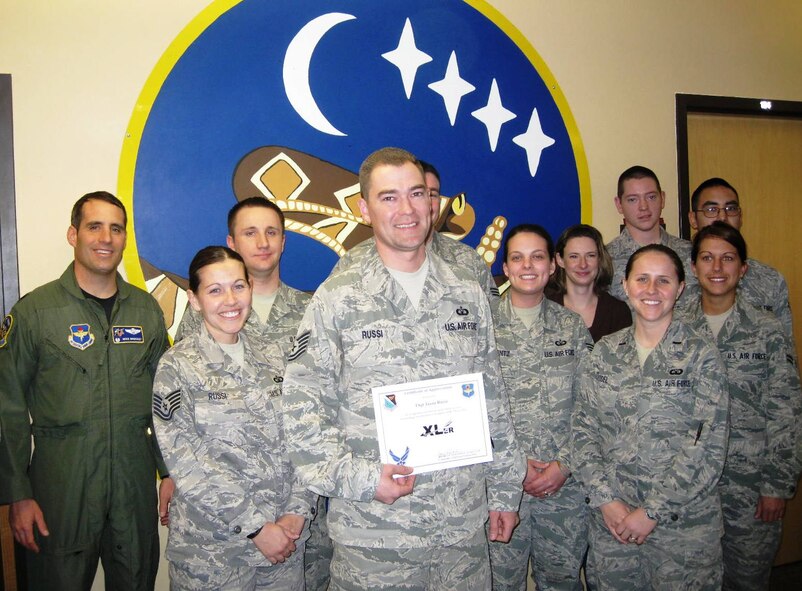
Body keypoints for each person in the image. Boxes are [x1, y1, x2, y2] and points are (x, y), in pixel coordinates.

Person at [282, 147, 524, 590]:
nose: (408, 209)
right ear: (364, 209)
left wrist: (506, 490)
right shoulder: (337, 299)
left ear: (432, 202)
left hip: (460, 528)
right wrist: (362, 479)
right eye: (389, 197)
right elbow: (302, 410)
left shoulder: (466, 293)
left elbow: (492, 397)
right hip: (376, 533)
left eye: (416, 193)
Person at [0, 191, 171, 590]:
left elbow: (166, 400)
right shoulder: (35, 312)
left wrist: (169, 471)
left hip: (132, 483)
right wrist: (17, 493)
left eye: (116, 229)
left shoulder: (146, 311)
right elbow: (7, 407)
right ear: (73, 235)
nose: (106, 238)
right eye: (95, 226)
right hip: (60, 487)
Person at [152, 246, 314, 590]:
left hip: (283, 547)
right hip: (213, 556)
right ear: (194, 299)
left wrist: (298, 510)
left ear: (250, 289)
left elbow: (304, 435)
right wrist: (256, 528)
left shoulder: (277, 358)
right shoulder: (176, 368)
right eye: (215, 290)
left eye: (238, 286)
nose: (230, 300)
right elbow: (187, 463)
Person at [572, 244, 730, 590]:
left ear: (680, 288)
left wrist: (651, 511)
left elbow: (707, 448)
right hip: (612, 527)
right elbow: (582, 430)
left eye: (664, 280)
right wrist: (606, 500)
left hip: (682, 530)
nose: (652, 290)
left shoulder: (701, 356)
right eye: (642, 279)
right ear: (625, 286)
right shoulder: (605, 352)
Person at [684, 222, 802, 590]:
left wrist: (777, 484)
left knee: (747, 581)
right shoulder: (675, 327)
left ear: (743, 268)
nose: (717, 268)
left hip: (749, 486)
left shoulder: (767, 330)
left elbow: (786, 410)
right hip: (689, 485)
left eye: (728, 258)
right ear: (693, 267)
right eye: (707, 258)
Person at [489, 224, 593, 591]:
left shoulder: (572, 328)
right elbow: (471, 410)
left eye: (537, 257)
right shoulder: (483, 328)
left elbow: (591, 406)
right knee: (500, 584)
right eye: (517, 258)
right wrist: (513, 465)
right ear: (506, 267)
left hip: (563, 487)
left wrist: (564, 465)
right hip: (501, 488)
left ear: (552, 266)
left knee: (561, 583)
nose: (527, 266)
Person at [333, 159, 499, 301]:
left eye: (429, 194)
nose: (410, 207)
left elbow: (495, 321)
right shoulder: (353, 261)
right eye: (391, 198)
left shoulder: (468, 259)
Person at [176, 196, 310, 357]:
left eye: (271, 232)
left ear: (282, 242)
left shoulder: (311, 309)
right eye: (250, 233)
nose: (263, 243)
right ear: (231, 243)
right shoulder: (203, 310)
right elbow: (183, 362)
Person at [688, 177, 795, 344]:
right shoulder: (673, 277)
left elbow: (784, 345)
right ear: (693, 219)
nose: (722, 217)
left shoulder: (770, 280)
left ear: (740, 216)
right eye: (711, 209)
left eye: (730, 208)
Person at [606, 165, 696, 302]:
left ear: (662, 198)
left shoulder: (691, 253)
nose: (643, 207)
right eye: (632, 199)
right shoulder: (605, 261)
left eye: (651, 197)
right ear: (619, 204)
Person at [549, 223, 632, 342]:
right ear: (560, 260)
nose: (583, 264)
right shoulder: (545, 309)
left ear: (599, 258)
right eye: (574, 256)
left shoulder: (617, 312)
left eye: (590, 255)